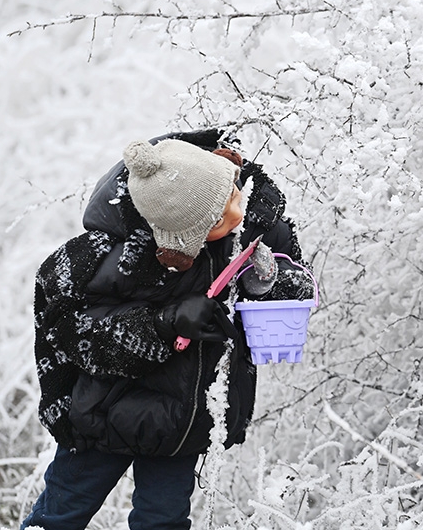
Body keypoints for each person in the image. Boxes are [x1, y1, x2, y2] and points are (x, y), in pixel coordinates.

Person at [21, 128, 305, 529]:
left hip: (183, 420)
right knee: (61, 514)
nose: (237, 213)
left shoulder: (255, 220)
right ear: (180, 241)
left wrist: (267, 279)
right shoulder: (111, 256)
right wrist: (163, 325)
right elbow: (78, 333)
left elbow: (297, 284)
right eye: (219, 220)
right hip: (105, 413)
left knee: (164, 521)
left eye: (231, 197)